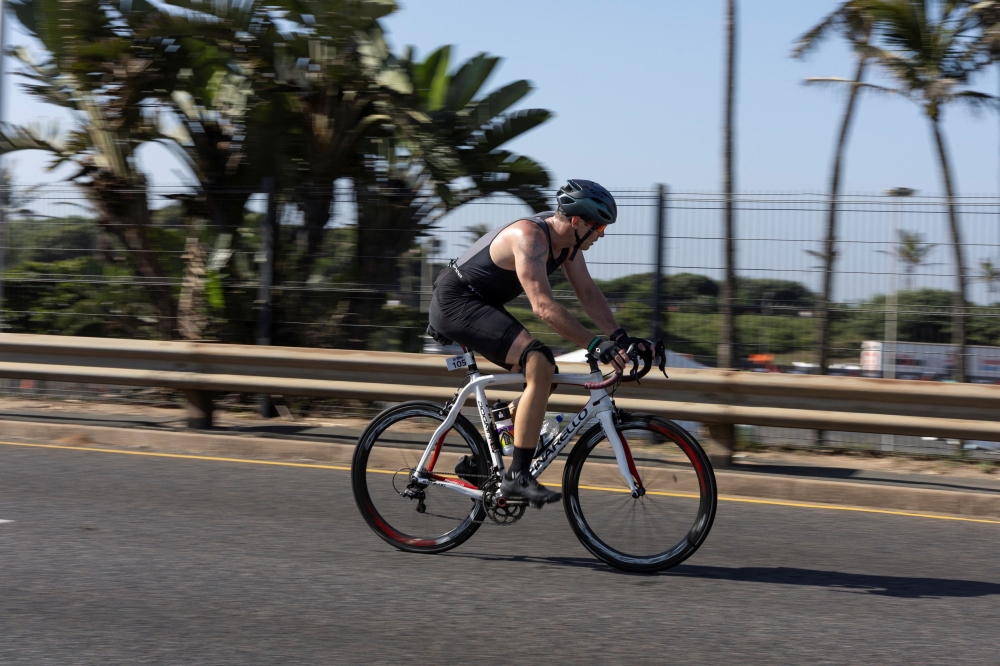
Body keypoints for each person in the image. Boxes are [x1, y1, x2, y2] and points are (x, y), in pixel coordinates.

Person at [428, 179, 642, 506]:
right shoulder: (531, 238)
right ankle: (517, 477)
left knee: (543, 372)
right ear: (576, 221)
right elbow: (542, 306)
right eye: (598, 226)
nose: (601, 234)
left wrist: (619, 336)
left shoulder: (568, 243)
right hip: (456, 302)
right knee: (539, 360)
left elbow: (587, 292)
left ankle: (489, 450)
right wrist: (594, 344)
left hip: (481, 303)